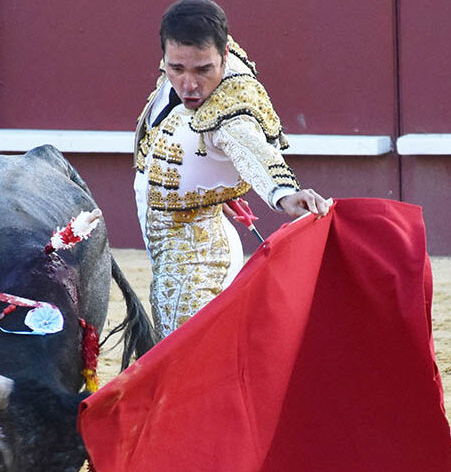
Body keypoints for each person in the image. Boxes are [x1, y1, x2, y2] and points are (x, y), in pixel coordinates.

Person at [134, 0, 330, 337]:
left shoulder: (232, 107)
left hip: (195, 253)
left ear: (225, 56)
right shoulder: (195, 54)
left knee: (182, 347)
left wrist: (284, 194)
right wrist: (211, 183)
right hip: (187, 233)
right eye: (176, 68)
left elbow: (251, 149)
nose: (189, 85)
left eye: (203, 70)